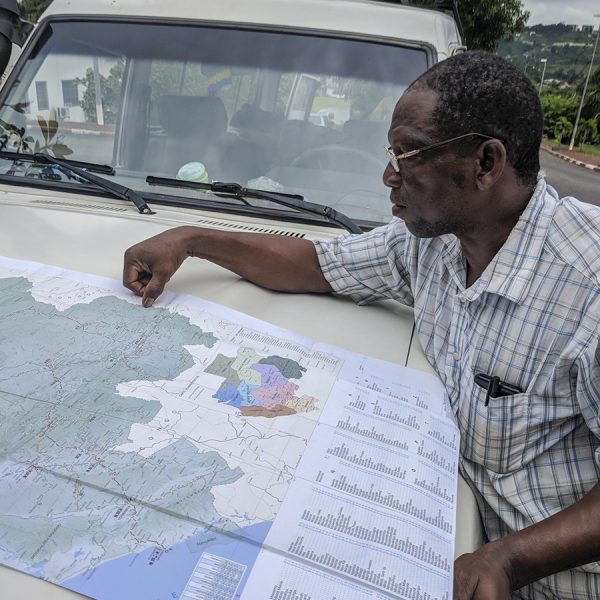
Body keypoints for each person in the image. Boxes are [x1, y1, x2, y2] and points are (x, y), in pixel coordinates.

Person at [123, 51, 600, 599]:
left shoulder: (588, 285)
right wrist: (192, 240)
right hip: (452, 538)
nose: (389, 175)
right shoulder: (434, 245)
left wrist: (509, 561)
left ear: (485, 163)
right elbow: (315, 266)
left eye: (408, 153)